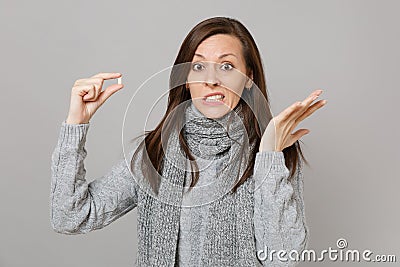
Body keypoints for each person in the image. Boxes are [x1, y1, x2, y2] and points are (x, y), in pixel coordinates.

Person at [50, 16, 327, 266]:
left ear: (248, 79)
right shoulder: (154, 153)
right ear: (185, 78)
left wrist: (268, 156)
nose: (211, 80)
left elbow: (283, 258)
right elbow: (70, 216)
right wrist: (77, 122)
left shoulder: (274, 153)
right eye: (198, 66)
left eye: (227, 66)